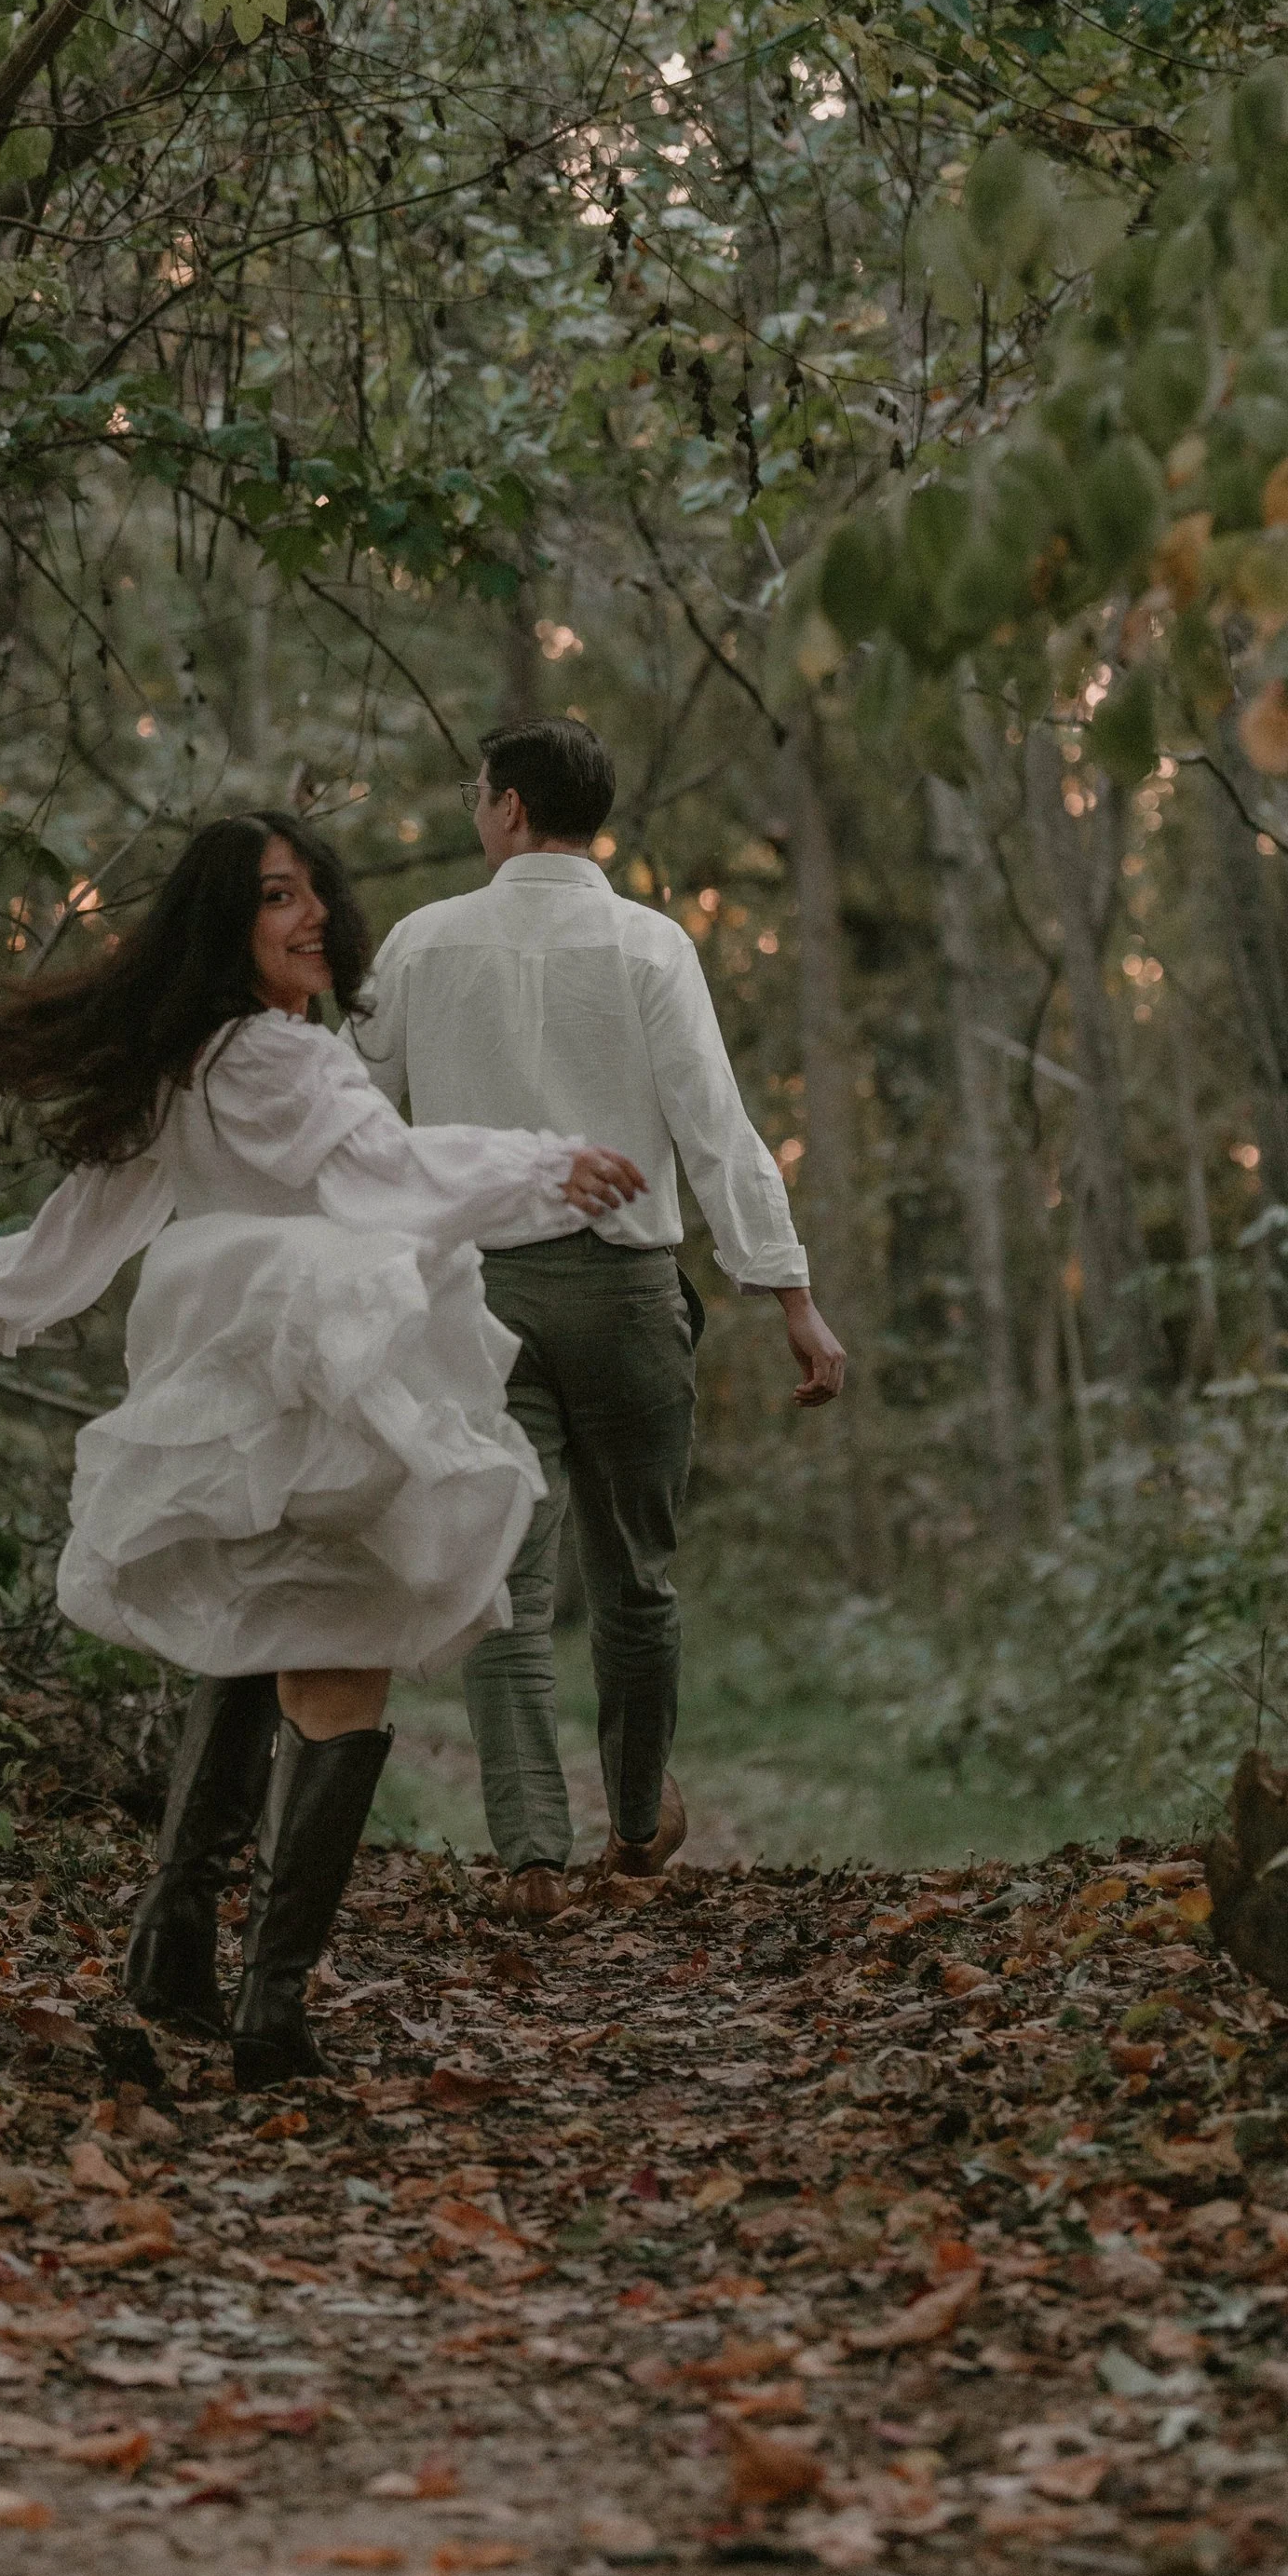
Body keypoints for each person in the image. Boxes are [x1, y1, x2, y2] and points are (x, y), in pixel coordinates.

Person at [0, 813, 644, 2088]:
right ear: (228, 923)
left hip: (248, 1403)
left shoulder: (197, 1056)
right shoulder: (285, 1060)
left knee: (258, 1647)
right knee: (342, 1663)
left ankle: (173, 1950)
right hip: (318, 1398)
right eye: (276, 897)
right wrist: (547, 1168)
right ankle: (268, 2004)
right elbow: (393, 1171)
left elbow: (100, 1203)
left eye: (316, 888)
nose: (310, 913)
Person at [352, 720, 846, 1920]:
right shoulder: (649, 947)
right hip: (628, 1299)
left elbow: (357, 1128)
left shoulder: (419, 945)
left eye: (479, 795)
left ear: (510, 808)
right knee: (637, 1577)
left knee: (508, 1585)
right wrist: (792, 1298)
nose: (476, 811)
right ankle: (633, 1830)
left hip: (479, 1300)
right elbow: (716, 1133)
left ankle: (528, 1855)